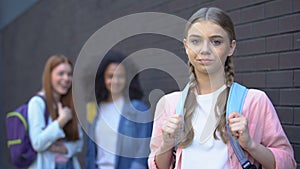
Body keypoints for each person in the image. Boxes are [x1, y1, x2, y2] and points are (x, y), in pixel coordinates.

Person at [148, 7, 296, 169]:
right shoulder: (169, 104)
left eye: (216, 41)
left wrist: (250, 145)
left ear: (231, 47)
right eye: (196, 41)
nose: (205, 50)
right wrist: (167, 145)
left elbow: (288, 163)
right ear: (186, 46)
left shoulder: (254, 101)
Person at [85, 50, 153, 169]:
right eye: (111, 76)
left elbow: (143, 151)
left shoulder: (139, 109)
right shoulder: (93, 109)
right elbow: (90, 152)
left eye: (120, 76)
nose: (115, 81)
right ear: (103, 78)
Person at [28, 55, 83, 169]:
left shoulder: (69, 104)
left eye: (69, 74)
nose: (66, 78)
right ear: (49, 76)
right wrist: (61, 121)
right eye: (61, 73)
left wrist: (61, 149)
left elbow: (79, 143)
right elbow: (38, 143)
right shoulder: (37, 103)